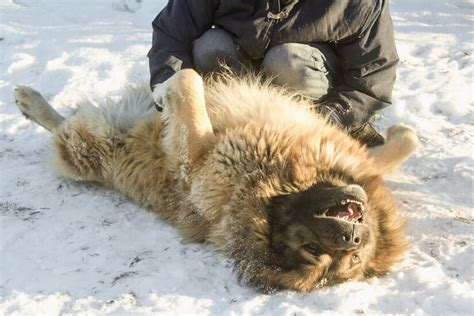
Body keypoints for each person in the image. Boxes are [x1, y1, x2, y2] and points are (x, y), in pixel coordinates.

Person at [148, 0, 399, 147]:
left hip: (307, 91)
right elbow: (171, 35)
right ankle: (227, 127)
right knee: (209, 47)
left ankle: (331, 132)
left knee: (286, 61)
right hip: (240, 77)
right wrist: (173, 97)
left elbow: (373, 77)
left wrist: (326, 120)